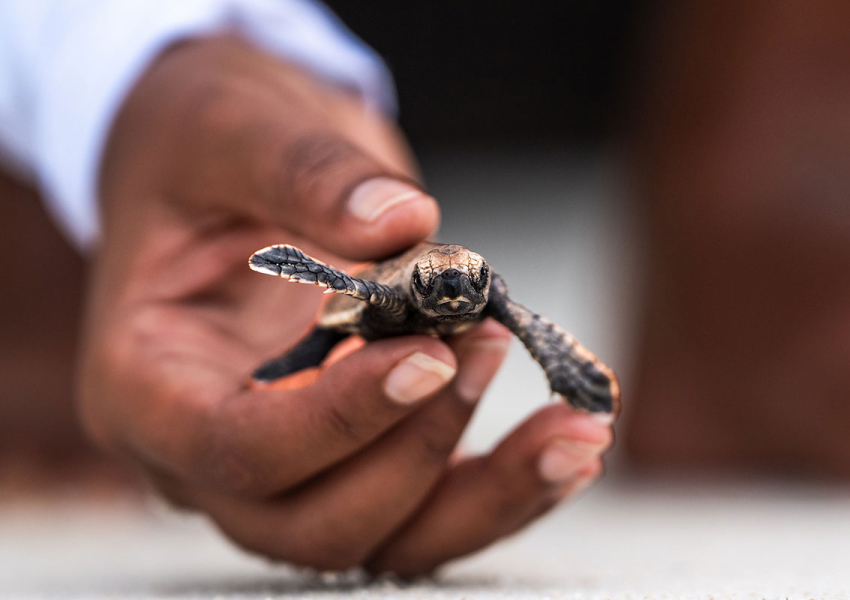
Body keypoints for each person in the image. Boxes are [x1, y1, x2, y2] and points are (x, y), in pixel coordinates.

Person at [0, 1, 612, 575]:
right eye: (445, 285)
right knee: (326, 338)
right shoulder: (392, 295)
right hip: (352, 278)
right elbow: (349, 288)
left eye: (467, 287)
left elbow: (511, 315)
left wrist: (567, 369)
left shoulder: (477, 290)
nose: (457, 295)